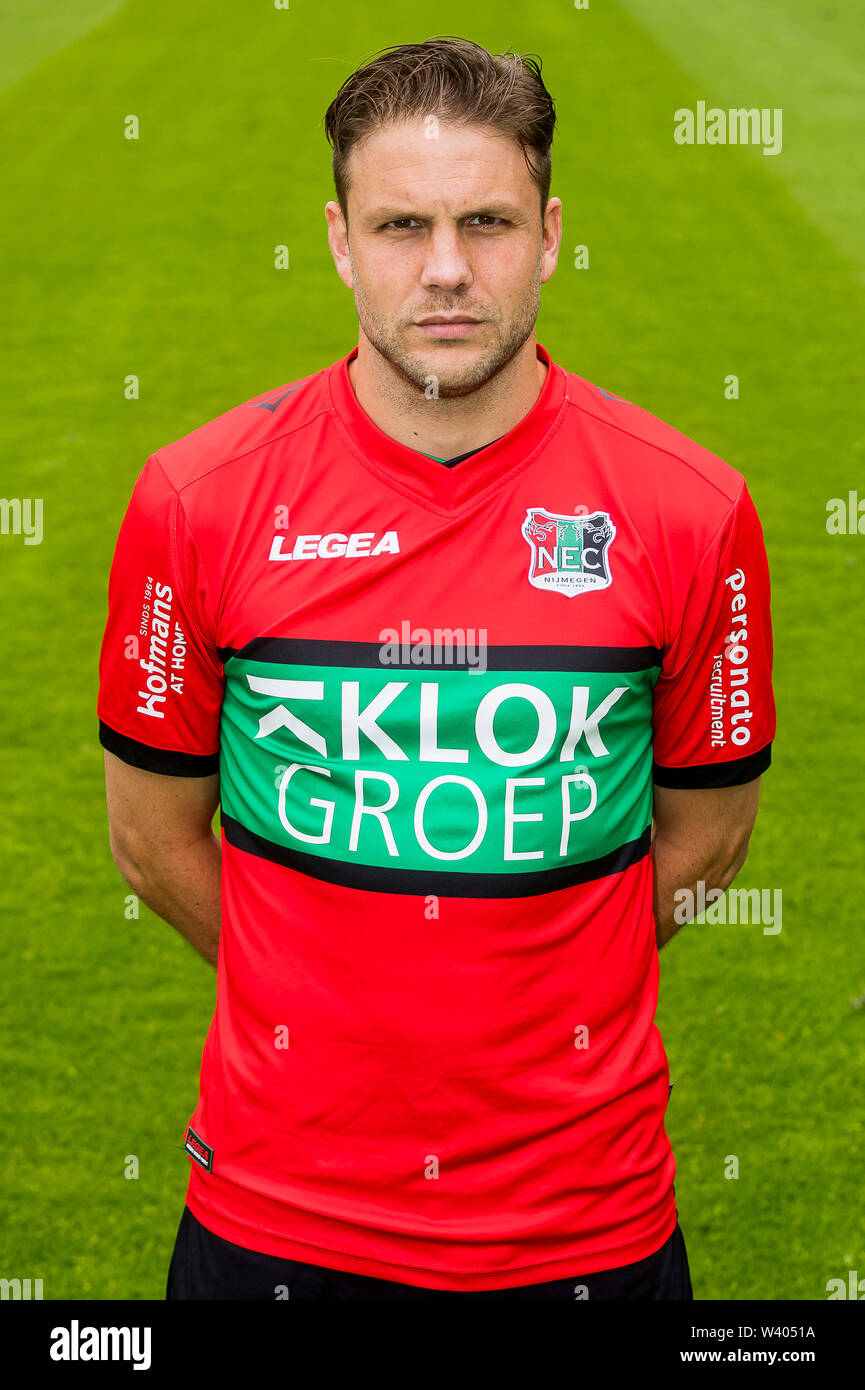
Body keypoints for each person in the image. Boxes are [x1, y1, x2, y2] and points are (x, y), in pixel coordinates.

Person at [97, 36, 775, 1300]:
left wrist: (524, 983)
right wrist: (337, 993)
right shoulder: (196, 499)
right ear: (341, 240)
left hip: (589, 1229)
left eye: (488, 221)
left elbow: (706, 841)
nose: (448, 269)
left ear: (552, 231)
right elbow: (151, 839)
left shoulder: (691, 510)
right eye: (403, 224)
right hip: (274, 1220)